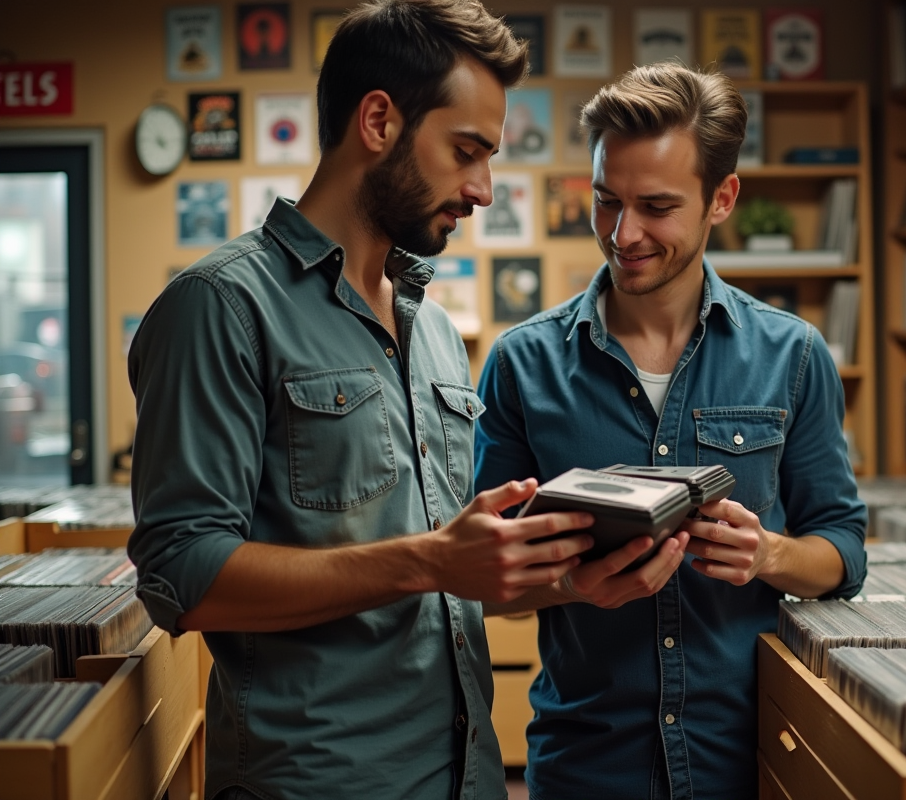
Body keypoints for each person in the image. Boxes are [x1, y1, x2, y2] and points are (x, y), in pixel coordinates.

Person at [126, 3, 592, 799]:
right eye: (466, 152)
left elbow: (447, 583)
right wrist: (429, 559)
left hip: (466, 778)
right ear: (378, 121)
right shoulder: (220, 306)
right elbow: (182, 575)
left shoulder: (434, 329)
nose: (482, 190)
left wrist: (572, 581)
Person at [474, 63, 867, 800]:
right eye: (606, 201)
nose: (623, 234)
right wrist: (570, 585)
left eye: (656, 207)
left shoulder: (793, 356)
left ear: (723, 198)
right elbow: (483, 585)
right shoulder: (522, 365)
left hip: (747, 763)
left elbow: (843, 552)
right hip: (586, 767)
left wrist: (769, 554)